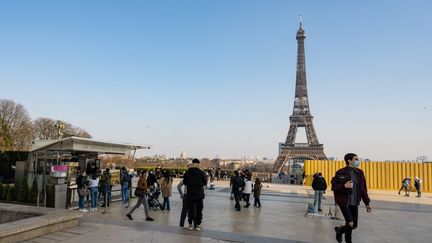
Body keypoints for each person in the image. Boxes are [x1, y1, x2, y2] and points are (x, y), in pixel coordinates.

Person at [332, 153, 372, 243]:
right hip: (344, 202)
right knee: (350, 222)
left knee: (353, 226)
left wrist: (367, 203)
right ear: (349, 161)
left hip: (354, 202)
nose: (358, 161)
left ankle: (340, 230)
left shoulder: (360, 173)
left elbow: (363, 189)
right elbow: (334, 186)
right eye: (356, 159)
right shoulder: (341, 172)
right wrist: (344, 185)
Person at [183, 159, 207, 231]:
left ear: (192, 163)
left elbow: (185, 182)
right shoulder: (201, 172)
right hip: (199, 193)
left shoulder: (187, 172)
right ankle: (198, 225)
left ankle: (190, 224)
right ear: (198, 164)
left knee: (190, 209)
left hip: (190, 193)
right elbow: (205, 182)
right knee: (199, 210)